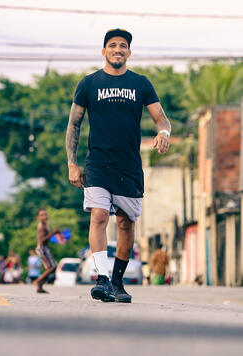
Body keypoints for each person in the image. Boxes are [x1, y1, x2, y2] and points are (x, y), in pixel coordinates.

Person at [66, 28, 171, 303]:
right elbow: (74, 124)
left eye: (122, 46)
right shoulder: (88, 84)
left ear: (129, 52)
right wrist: (71, 163)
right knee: (98, 216)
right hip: (98, 163)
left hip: (129, 167)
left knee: (126, 225)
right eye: (112, 45)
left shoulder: (141, 84)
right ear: (104, 51)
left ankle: (117, 282)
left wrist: (164, 133)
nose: (117, 49)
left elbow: (162, 119)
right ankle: (101, 279)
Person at [35, 208, 59, 293]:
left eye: (45, 214)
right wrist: (53, 233)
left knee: (50, 267)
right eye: (42, 215)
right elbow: (42, 240)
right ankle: (39, 280)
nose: (44, 216)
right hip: (42, 249)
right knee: (53, 266)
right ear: (38, 217)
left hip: (44, 249)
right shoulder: (41, 226)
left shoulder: (45, 225)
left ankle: (39, 287)